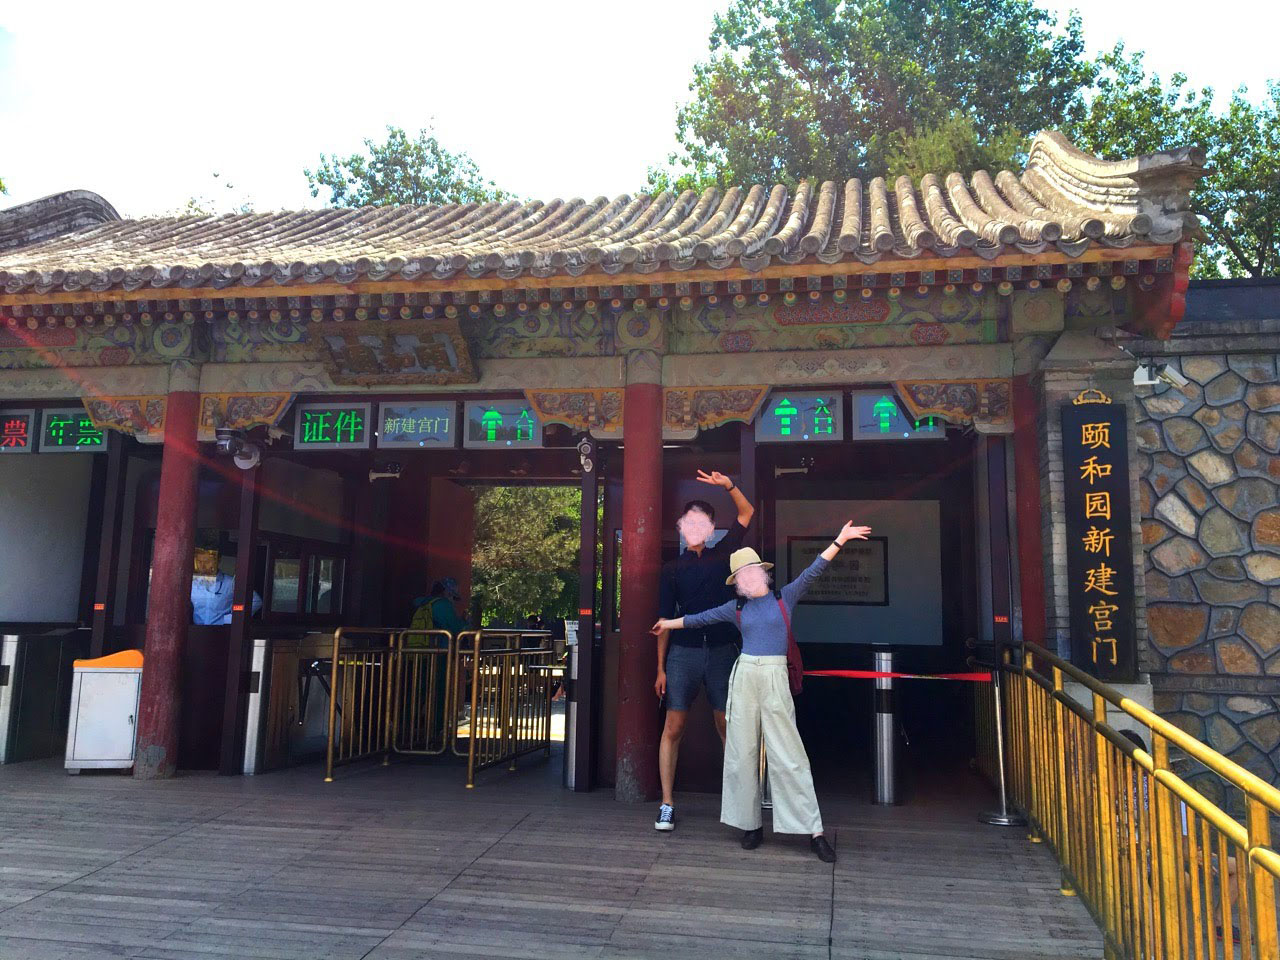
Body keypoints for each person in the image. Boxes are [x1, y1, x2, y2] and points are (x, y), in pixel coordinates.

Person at [652, 520, 872, 863]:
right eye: (742, 575)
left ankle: (814, 831)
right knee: (742, 752)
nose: (748, 578)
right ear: (737, 583)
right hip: (744, 676)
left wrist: (840, 539)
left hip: (773, 675)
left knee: (789, 753)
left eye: (752, 571)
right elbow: (700, 618)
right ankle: (750, 825)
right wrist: (669, 623)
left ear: (763, 573)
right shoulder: (736, 608)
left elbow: (815, 570)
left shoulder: (786, 597)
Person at [652, 470, 755, 832]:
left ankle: (739, 804)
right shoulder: (671, 569)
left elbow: (746, 513)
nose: (695, 527)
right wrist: (660, 668)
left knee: (727, 725)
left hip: (723, 651)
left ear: (711, 529)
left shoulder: (725, 554)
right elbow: (664, 620)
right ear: (681, 527)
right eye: (689, 521)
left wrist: (728, 485)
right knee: (674, 726)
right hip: (683, 654)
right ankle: (667, 803)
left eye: (702, 522)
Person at [190, 547, 261, 625]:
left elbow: (256, 601)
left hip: (223, 630)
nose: (202, 566)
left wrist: (231, 617)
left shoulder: (230, 583)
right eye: (199, 561)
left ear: (218, 561)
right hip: (197, 630)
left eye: (207, 561)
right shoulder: (193, 584)